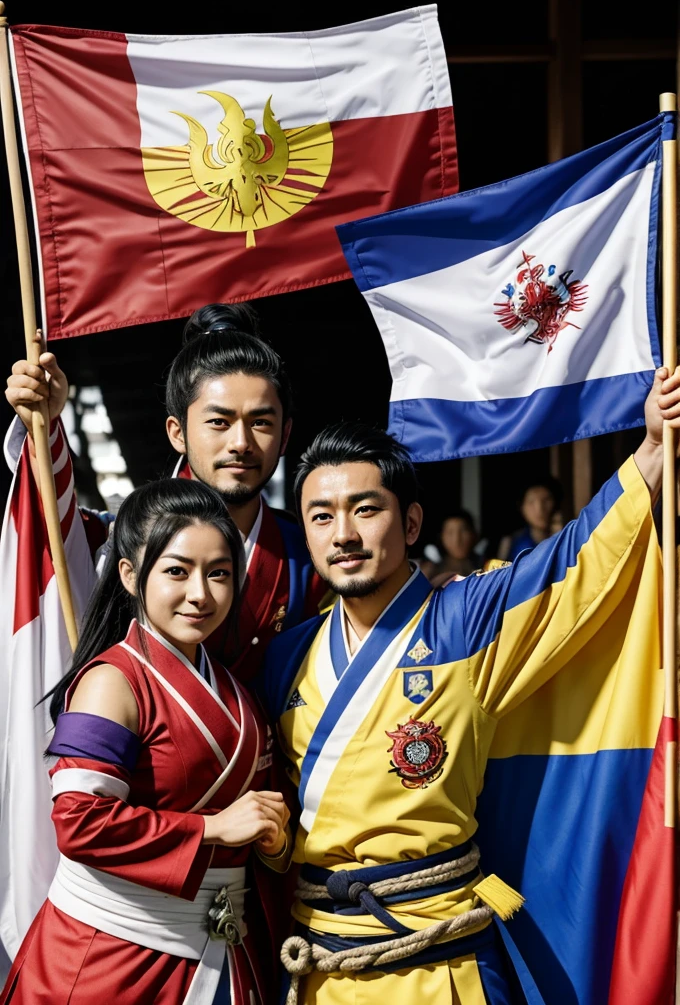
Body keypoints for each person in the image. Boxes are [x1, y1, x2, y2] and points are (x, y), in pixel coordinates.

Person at [260, 366, 680, 1005]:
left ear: (411, 523)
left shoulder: (465, 622)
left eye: (365, 509)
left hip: (439, 963)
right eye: (321, 516)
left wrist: (650, 450)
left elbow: (572, 561)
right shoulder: (287, 654)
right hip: (321, 966)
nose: (342, 534)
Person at [0, 478, 290, 1005]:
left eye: (219, 573)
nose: (201, 593)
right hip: (115, 956)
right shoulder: (111, 681)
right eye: (177, 571)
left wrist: (272, 838)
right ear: (131, 575)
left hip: (223, 950)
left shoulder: (235, 690)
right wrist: (213, 828)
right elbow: (80, 822)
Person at [4, 303, 328, 681]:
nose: (241, 442)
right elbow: (55, 539)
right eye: (219, 422)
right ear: (177, 432)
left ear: (285, 434)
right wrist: (44, 425)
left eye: (260, 422)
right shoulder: (118, 542)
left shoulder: (310, 554)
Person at [496, 475, 562, 562]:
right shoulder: (511, 543)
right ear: (522, 507)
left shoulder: (564, 536)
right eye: (531, 502)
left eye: (546, 500)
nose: (539, 509)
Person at [420, 509, 485, 584]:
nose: (457, 540)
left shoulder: (487, 566)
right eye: (450, 533)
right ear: (441, 537)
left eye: (463, 531)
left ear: (473, 534)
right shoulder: (430, 570)